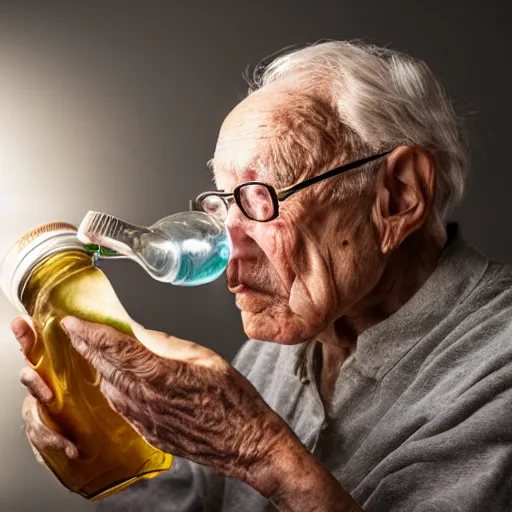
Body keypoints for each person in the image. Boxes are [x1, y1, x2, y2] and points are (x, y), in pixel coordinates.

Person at [12, 41, 512, 511]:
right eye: (223, 203)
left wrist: (258, 452)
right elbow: (194, 499)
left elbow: (249, 454)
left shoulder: (497, 365)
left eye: (260, 197)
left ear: (398, 196)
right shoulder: (290, 337)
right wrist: (103, 428)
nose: (229, 242)